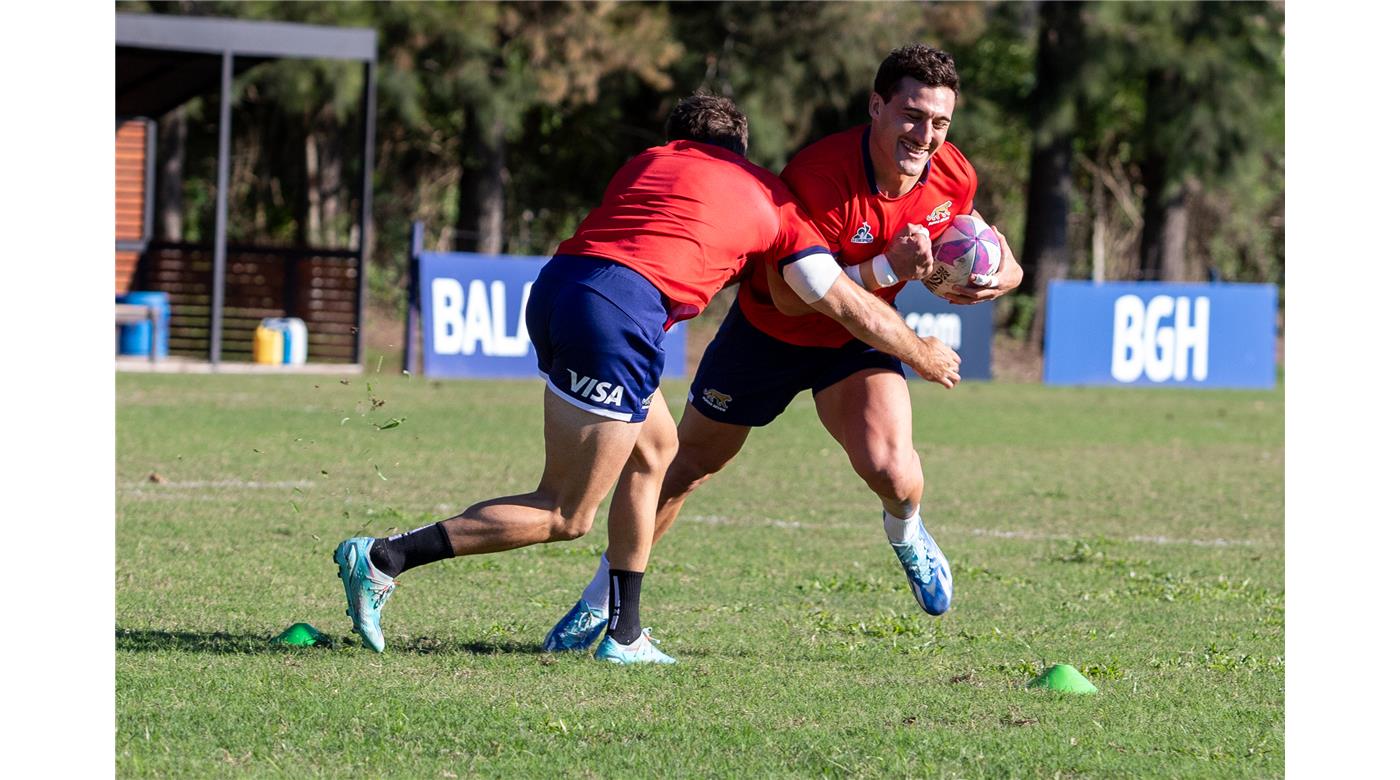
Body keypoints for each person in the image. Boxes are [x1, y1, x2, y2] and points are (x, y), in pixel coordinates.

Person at [335, 93, 963, 664]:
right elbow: (837, 300)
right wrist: (921, 353)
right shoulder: (768, 195)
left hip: (556, 291)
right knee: (565, 513)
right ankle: (386, 557)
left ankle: (624, 634)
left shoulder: (646, 163)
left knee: (657, 453)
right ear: (741, 151)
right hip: (618, 317)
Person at [544, 45, 1024, 653]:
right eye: (911, 115)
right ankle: (602, 601)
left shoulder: (953, 174)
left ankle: (908, 535)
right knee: (682, 470)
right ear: (876, 106)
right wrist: (888, 268)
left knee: (894, 473)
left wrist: (1001, 277)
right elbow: (792, 296)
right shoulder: (819, 177)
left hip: (859, 338)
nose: (925, 135)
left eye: (939, 122)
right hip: (767, 334)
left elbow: (984, 247)